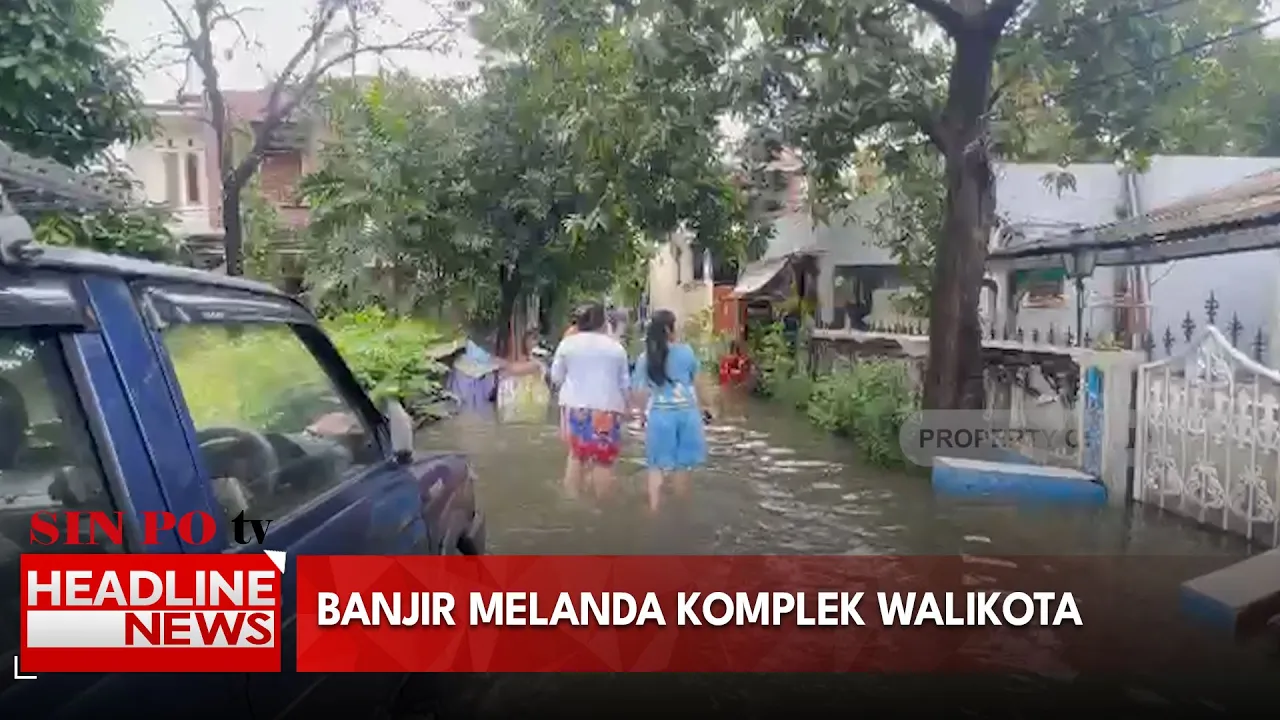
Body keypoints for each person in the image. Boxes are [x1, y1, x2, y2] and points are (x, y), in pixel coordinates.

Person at [631, 309, 710, 514]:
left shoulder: (645, 357)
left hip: (660, 415)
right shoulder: (686, 351)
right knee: (683, 466)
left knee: (655, 466)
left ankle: (654, 511)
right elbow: (698, 383)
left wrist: (640, 416)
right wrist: (706, 408)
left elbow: (639, 392)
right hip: (687, 414)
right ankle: (682, 513)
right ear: (668, 329)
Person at [550, 303, 631, 499]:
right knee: (603, 461)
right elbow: (624, 385)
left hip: (576, 408)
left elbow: (556, 378)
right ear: (603, 322)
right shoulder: (616, 348)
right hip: (607, 410)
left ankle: (572, 502)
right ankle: (602, 510)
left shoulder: (567, 344)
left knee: (576, 455)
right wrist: (628, 407)